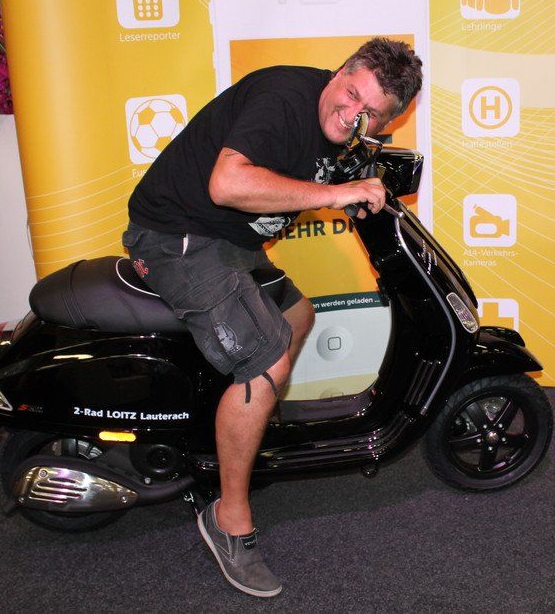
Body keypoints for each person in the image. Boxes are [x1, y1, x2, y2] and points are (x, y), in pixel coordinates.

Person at [123, 37, 422, 597]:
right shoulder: (285, 98)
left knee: (299, 316)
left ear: (385, 122)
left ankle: (246, 430)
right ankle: (228, 518)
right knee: (266, 362)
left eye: (370, 113)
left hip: (227, 242)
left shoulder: (345, 127)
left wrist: (364, 181)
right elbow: (227, 183)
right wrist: (335, 193)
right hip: (177, 238)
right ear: (340, 71)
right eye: (351, 94)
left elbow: (338, 164)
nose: (352, 114)